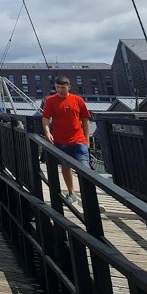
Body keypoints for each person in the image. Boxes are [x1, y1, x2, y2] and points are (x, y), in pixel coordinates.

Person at [41, 75, 90, 204]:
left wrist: (87, 140)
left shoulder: (78, 100)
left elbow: (85, 120)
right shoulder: (50, 101)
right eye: (57, 87)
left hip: (78, 140)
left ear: (69, 87)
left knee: (85, 169)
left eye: (62, 87)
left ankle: (88, 197)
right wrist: (47, 133)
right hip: (60, 141)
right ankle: (71, 193)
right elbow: (45, 118)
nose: (60, 90)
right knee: (65, 166)